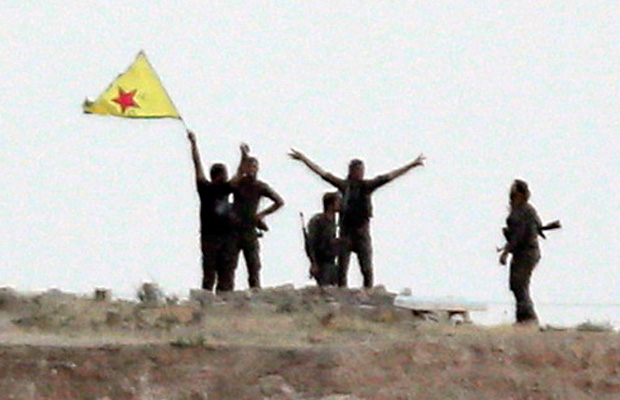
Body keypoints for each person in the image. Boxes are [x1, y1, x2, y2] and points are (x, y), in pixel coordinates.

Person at [289, 149, 425, 288]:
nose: (361, 173)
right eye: (358, 170)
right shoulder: (344, 186)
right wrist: (303, 159)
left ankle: (368, 292)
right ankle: (342, 293)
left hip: (361, 231)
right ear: (351, 171)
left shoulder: (366, 186)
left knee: (366, 268)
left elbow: (389, 177)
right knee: (342, 269)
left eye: (362, 170)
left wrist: (411, 165)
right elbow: (322, 173)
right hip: (346, 232)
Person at [498, 179, 558, 325]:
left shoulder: (526, 210)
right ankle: (522, 317)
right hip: (521, 252)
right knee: (516, 284)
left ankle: (528, 318)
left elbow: (521, 234)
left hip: (527, 252)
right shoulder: (520, 209)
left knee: (520, 284)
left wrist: (506, 250)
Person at [187, 130, 238, 293]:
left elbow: (239, 176)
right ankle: (208, 300)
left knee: (226, 273)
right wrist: (193, 144)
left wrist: (194, 144)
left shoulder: (222, 188)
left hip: (224, 236)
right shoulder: (206, 188)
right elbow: (197, 165)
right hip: (211, 237)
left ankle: (222, 302)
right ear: (219, 175)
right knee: (210, 272)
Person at [230, 145, 284, 289]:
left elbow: (279, 201)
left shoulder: (260, 186)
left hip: (250, 229)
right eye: (250, 167)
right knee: (230, 265)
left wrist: (262, 214)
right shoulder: (238, 184)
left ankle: (255, 294)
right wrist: (243, 157)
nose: (252, 169)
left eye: (255, 167)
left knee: (254, 267)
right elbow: (234, 180)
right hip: (235, 230)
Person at [306, 192, 342, 287]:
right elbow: (310, 243)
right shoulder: (318, 221)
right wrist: (314, 263)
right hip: (322, 262)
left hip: (332, 260)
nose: (340, 204)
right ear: (330, 205)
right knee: (324, 288)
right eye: (337, 202)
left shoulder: (333, 220)